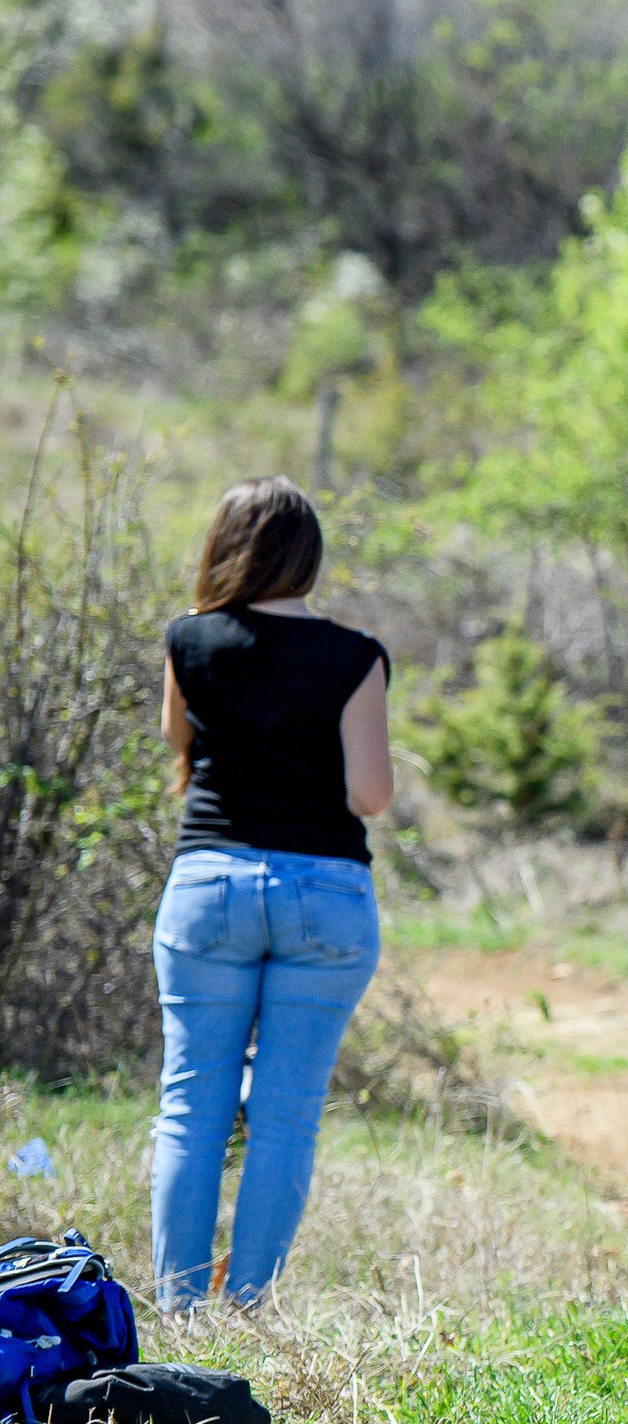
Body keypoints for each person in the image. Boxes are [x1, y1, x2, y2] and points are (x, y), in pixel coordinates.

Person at [150, 477, 393, 1313]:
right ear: (309, 556)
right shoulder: (354, 655)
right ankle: (248, 1307)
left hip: (209, 884)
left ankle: (179, 1307)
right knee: (285, 1116)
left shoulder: (189, 641)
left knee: (191, 1108)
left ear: (224, 546)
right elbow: (371, 797)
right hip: (323, 891)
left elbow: (176, 745)